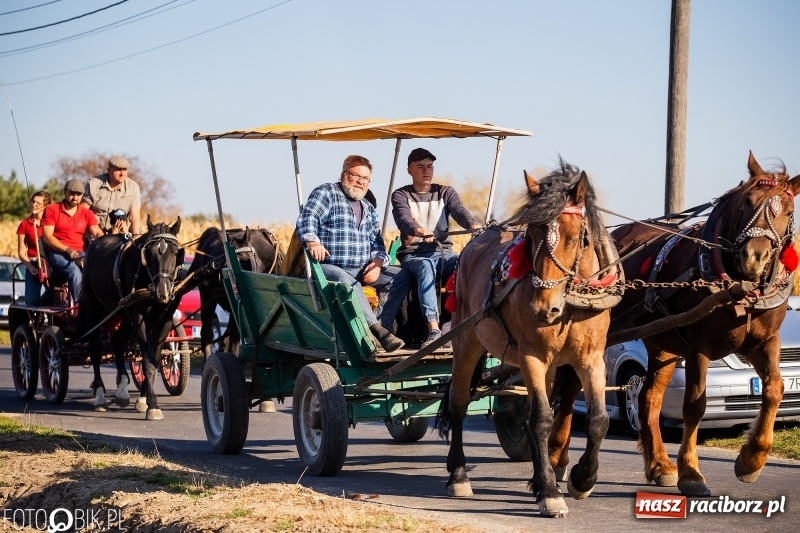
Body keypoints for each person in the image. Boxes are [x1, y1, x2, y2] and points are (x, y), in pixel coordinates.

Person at [296, 154, 407, 352]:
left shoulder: (368, 208)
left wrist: (378, 263)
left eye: (365, 179)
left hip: (362, 269)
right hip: (329, 267)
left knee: (400, 276)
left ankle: (382, 327)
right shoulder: (327, 193)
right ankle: (375, 330)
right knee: (343, 279)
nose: (360, 182)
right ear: (344, 174)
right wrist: (313, 242)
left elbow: (377, 242)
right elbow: (308, 218)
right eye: (356, 176)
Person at [384, 148, 482, 347]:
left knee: (466, 263)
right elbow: (403, 218)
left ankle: (464, 322)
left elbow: (459, 210)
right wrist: (418, 230)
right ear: (409, 170)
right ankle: (434, 330)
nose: (426, 171)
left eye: (429, 166)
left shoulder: (445, 192)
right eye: (420, 167)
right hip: (414, 256)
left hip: (444, 254)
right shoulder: (401, 195)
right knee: (426, 267)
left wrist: (472, 225)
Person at [42, 179, 104, 299]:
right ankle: (79, 308)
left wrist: (107, 243)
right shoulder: (52, 210)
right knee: (74, 272)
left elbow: (96, 231)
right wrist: (68, 250)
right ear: (65, 192)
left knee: (99, 272)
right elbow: (47, 237)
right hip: (57, 253)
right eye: (72, 193)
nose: (75, 197)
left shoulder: (86, 213)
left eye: (78, 194)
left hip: (81, 253)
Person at [82, 156, 141, 235]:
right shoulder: (93, 184)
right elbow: (83, 210)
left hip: (121, 235)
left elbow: (134, 217)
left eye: (125, 170)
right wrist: (92, 217)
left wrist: (136, 237)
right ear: (109, 170)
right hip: (95, 233)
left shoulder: (133, 187)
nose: (122, 174)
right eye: (118, 170)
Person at [16, 190, 52, 306]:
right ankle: (35, 320)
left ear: (45, 206)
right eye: (32, 201)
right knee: (31, 302)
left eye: (38, 203)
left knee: (55, 298)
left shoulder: (51, 224)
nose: (34, 205)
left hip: (51, 264)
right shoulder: (25, 224)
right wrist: (31, 268)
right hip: (34, 264)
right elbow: (21, 253)